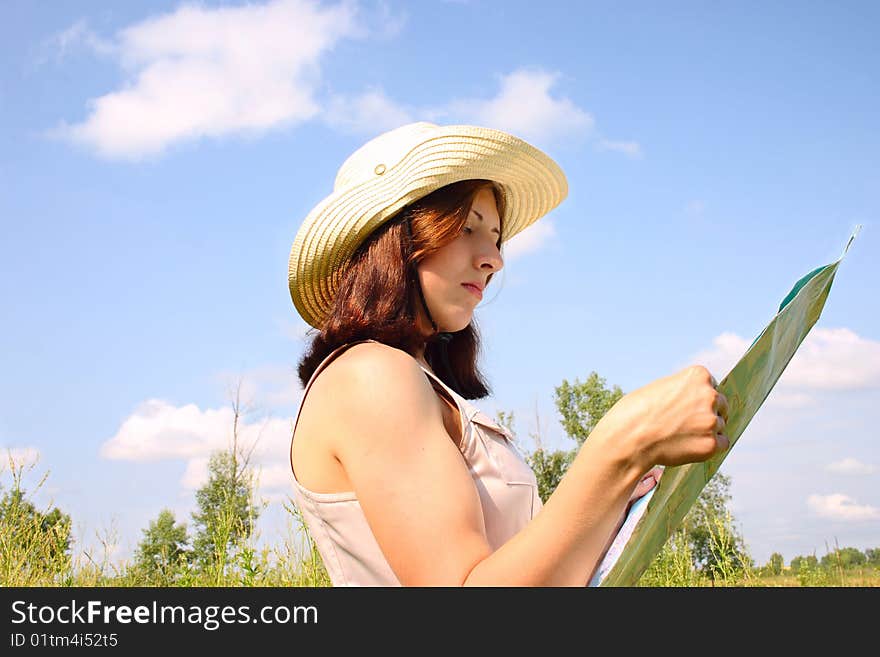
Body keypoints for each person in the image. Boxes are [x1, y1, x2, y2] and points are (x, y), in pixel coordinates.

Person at [287, 121, 730, 586]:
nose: (494, 258)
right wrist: (621, 447)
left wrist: (608, 503)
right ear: (395, 239)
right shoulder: (371, 376)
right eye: (466, 228)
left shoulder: (410, 378)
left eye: (495, 237)